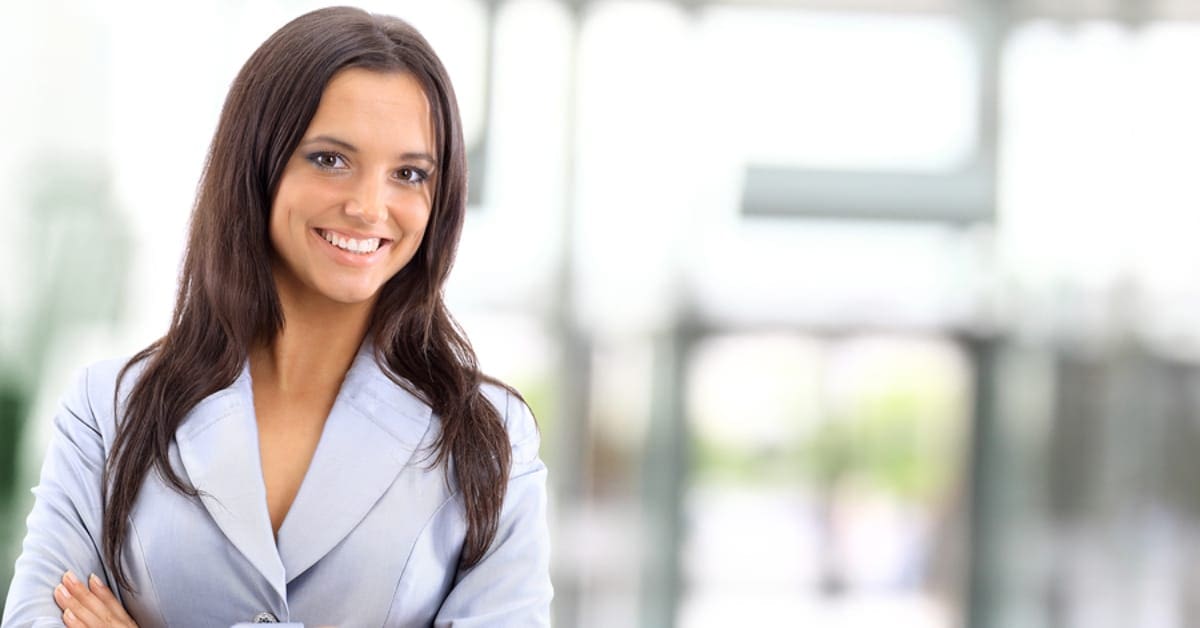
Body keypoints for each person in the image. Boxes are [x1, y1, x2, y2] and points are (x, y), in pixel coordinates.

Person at [2, 6, 552, 627]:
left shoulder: (487, 436)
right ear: (258, 161)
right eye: (330, 159)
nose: (370, 207)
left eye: (409, 173)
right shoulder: (110, 408)